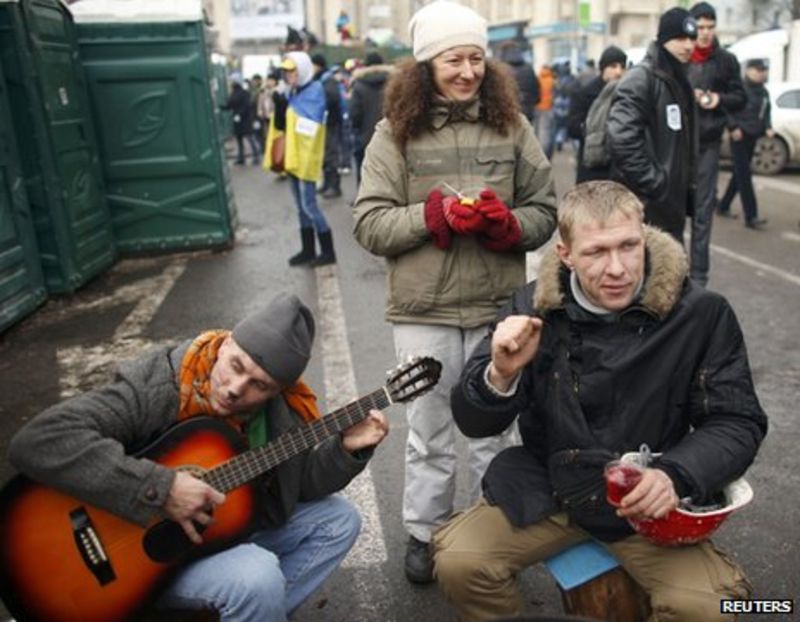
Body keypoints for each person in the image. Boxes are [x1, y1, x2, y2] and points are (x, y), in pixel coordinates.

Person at [434, 180, 767, 622]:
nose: (617, 268)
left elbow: (737, 422)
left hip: (646, 504)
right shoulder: (531, 306)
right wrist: (500, 373)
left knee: (718, 607)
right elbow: (472, 422)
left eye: (629, 246)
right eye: (596, 252)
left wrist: (675, 476)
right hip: (551, 489)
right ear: (566, 254)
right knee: (459, 561)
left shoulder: (702, 314)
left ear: (644, 235)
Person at [8, 293, 389, 621]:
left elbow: (296, 486)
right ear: (224, 345)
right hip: (128, 560)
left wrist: (345, 451)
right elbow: (39, 440)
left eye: (260, 385)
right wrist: (161, 488)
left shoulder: (282, 413)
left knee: (339, 520)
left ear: (278, 390)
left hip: (209, 538)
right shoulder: (160, 385)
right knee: (258, 578)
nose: (237, 389)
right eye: (236, 366)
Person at [352, 0, 558, 585]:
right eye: (452, 59)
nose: (467, 71)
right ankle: (425, 533)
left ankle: (492, 534)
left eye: (475, 58)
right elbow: (369, 224)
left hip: (499, 308)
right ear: (425, 65)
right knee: (430, 430)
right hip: (424, 310)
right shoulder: (394, 134)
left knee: (496, 429)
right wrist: (432, 214)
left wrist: (508, 225)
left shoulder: (512, 126)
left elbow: (545, 210)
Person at [608, 7, 699, 244]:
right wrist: (656, 183)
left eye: (692, 39)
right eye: (680, 39)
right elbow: (622, 138)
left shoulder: (679, 78)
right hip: (649, 204)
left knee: (670, 272)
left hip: (670, 204)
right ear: (664, 40)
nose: (688, 45)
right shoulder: (642, 78)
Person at [686, 2, 746, 286]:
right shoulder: (679, 55)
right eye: (700, 27)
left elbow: (740, 97)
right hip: (677, 145)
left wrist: (717, 99)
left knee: (702, 213)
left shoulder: (725, 60)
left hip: (708, 144)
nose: (705, 33)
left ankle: (699, 278)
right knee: (671, 211)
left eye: (710, 27)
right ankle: (669, 273)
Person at [266, 52, 336, 266]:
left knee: (310, 206)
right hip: (293, 156)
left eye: (292, 70)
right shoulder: (292, 92)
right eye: (286, 71)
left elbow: (310, 126)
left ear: (304, 69)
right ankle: (308, 249)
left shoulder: (314, 91)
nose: (289, 75)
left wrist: (287, 109)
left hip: (306, 157)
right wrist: (279, 105)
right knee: (300, 207)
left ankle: (327, 251)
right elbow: (281, 127)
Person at [717, 59, 773, 229]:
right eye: (757, 70)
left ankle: (723, 206)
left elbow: (766, 111)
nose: (760, 73)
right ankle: (751, 216)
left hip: (753, 136)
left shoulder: (763, 92)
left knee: (738, 175)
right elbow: (726, 108)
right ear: (748, 71)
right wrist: (733, 127)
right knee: (745, 176)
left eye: (763, 70)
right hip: (739, 136)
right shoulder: (740, 89)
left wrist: (768, 127)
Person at [567, 45, 627, 183]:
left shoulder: (628, 92)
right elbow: (572, 127)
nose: (618, 71)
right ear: (603, 68)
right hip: (593, 167)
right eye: (613, 66)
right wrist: (596, 130)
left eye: (622, 67)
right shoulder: (585, 93)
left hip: (619, 167)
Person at [349, 51, 393, 187]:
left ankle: (363, 200)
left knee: (364, 170)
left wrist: (356, 129)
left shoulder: (359, 85)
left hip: (365, 136)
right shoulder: (395, 82)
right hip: (392, 135)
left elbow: (355, 113)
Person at [312, 53, 344, 199]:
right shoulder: (322, 80)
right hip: (325, 123)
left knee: (331, 155)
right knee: (325, 155)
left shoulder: (327, 81)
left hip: (330, 123)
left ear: (317, 65)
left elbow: (332, 99)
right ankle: (327, 183)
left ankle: (334, 186)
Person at [498, 40, 540, 124]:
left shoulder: (500, 69)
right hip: (528, 112)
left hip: (508, 113)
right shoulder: (529, 68)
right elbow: (536, 90)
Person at [224, 79, 261, 166]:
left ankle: (256, 156)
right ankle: (241, 158)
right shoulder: (235, 93)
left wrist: (239, 114)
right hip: (238, 119)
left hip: (244, 119)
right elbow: (230, 104)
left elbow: (246, 105)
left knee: (249, 137)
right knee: (239, 139)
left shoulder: (243, 93)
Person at [534, 64, 556, 159]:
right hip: (548, 108)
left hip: (536, 107)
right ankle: (543, 157)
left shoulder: (537, 79)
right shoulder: (552, 81)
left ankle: (536, 154)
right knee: (546, 134)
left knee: (537, 133)